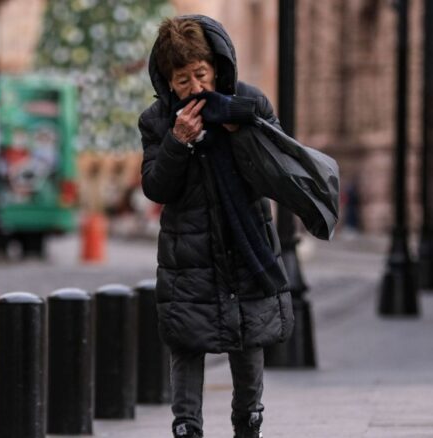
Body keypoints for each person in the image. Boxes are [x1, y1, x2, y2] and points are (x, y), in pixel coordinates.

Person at [139, 15, 294, 438]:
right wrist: (177, 142)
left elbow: (279, 170)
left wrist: (240, 131)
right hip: (189, 254)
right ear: (168, 82)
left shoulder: (249, 104)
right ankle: (186, 427)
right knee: (186, 340)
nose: (194, 88)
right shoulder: (156, 121)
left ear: (216, 67)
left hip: (246, 245)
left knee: (249, 336)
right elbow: (156, 186)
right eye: (182, 80)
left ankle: (249, 422)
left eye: (201, 74)